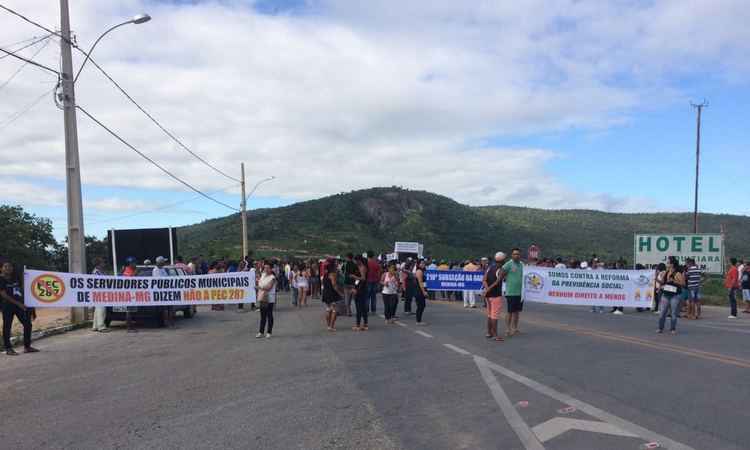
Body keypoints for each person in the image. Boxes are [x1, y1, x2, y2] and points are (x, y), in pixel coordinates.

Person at [0, 262, 38, 355]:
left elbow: (23, 291)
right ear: (1, 269)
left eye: (10, 266)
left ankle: (27, 346)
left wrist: (31, 307)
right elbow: (3, 294)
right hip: (7, 306)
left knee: (27, 324)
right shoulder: (0, 279)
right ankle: (8, 348)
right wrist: (18, 303)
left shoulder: (15, 278)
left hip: (19, 305)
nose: (8, 268)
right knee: (7, 326)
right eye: (5, 267)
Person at [657, 257, 685, 334]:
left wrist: (674, 281)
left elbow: (683, 284)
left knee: (673, 313)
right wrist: (657, 279)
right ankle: (660, 328)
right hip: (666, 294)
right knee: (662, 312)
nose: (667, 264)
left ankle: (673, 329)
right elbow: (662, 282)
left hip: (675, 295)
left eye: (668, 263)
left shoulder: (678, 273)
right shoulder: (666, 272)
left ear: (672, 264)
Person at [500, 248, 524, 337]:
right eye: (514, 254)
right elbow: (501, 274)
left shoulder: (522, 265)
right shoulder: (508, 264)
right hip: (511, 292)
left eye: (518, 254)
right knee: (510, 311)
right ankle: (508, 329)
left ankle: (515, 328)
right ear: (512, 255)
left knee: (517, 312)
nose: (516, 255)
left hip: (520, 292)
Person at [482, 252, 505, 342]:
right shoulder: (501, 269)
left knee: (489, 314)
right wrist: (488, 289)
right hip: (495, 295)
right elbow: (497, 282)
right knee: (494, 315)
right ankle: (495, 335)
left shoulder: (489, 267)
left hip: (488, 296)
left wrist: (487, 289)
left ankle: (489, 333)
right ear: (503, 260)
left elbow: (484, 280)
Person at [256, 262, 277, 338]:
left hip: (269, 298)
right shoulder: (263, 275)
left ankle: (269, 332)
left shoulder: (272, 277)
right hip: (262, 297)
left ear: (271, 269)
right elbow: (260, 283)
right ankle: (261, 332)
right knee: (262, 316)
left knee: (269, 314)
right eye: (265, 268)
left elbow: (268, 287)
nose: (266, 269)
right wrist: (260, 286)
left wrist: (260, 287)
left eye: (268, 268)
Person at [322, 260, 344, 331]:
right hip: (332, 293)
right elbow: (334, 285)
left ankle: (328, 326)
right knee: (334, 310)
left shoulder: (325, 274)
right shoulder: (332, 274)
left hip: (326, 292)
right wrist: (340, 293)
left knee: (328, 309)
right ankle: (331, 326)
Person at [152, 256, 174, 327]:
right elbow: (159, 281)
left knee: (169, 308)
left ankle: (170, 322)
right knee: (165, 309)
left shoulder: (163, 269)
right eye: (163, 261)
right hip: (162, 292)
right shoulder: (156, 270)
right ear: (160, 262)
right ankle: (167, 323)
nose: (165, 263)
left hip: (167, 291)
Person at [91, 257, 110, 333]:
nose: (104, 264)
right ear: (98, 264)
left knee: (97, 310)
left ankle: (95, 326)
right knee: (101, 309)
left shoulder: (99, 271)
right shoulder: (96, 272)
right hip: (99, 292)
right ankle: (101, 327)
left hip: (99, 292)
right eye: (102, 263)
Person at [351, 255, 369, 331]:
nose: (354, 262)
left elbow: (363, 279)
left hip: (361, 289)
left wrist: (354, 276)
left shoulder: (362, 267)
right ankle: (365, 324)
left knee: (359, 307)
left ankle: (358, 325)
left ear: (359, 260)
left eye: (355, 260)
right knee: (362, 307)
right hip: (359, 288)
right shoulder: (359, 267)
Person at [414, 260, 429, 325]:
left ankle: (419, 320)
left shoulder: (422, 271)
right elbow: (420, 283)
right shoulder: (419, 271)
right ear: (419, 264)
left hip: (420, 290)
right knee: (421, 305)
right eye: (422, 263)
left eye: (424, 263)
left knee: (422, 305)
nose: (423, 264)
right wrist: (424, 291)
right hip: (419, 290)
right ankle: (418, 321)